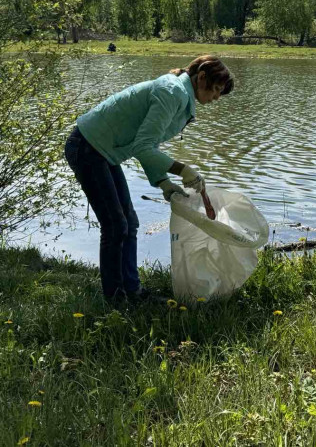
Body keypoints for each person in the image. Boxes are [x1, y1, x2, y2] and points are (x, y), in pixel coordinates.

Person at [64, 55, 234, 303]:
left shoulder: (180, 94)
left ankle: (132, 292)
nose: (217, 97)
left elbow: (146, 144)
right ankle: (115, 299)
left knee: (129, 223)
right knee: (115, 225)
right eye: (217, 89)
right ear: (202, 77)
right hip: (88, 147)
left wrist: (163, 182)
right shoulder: (173, 92)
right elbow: (143, 146)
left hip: (104, 151)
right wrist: (184, 169)